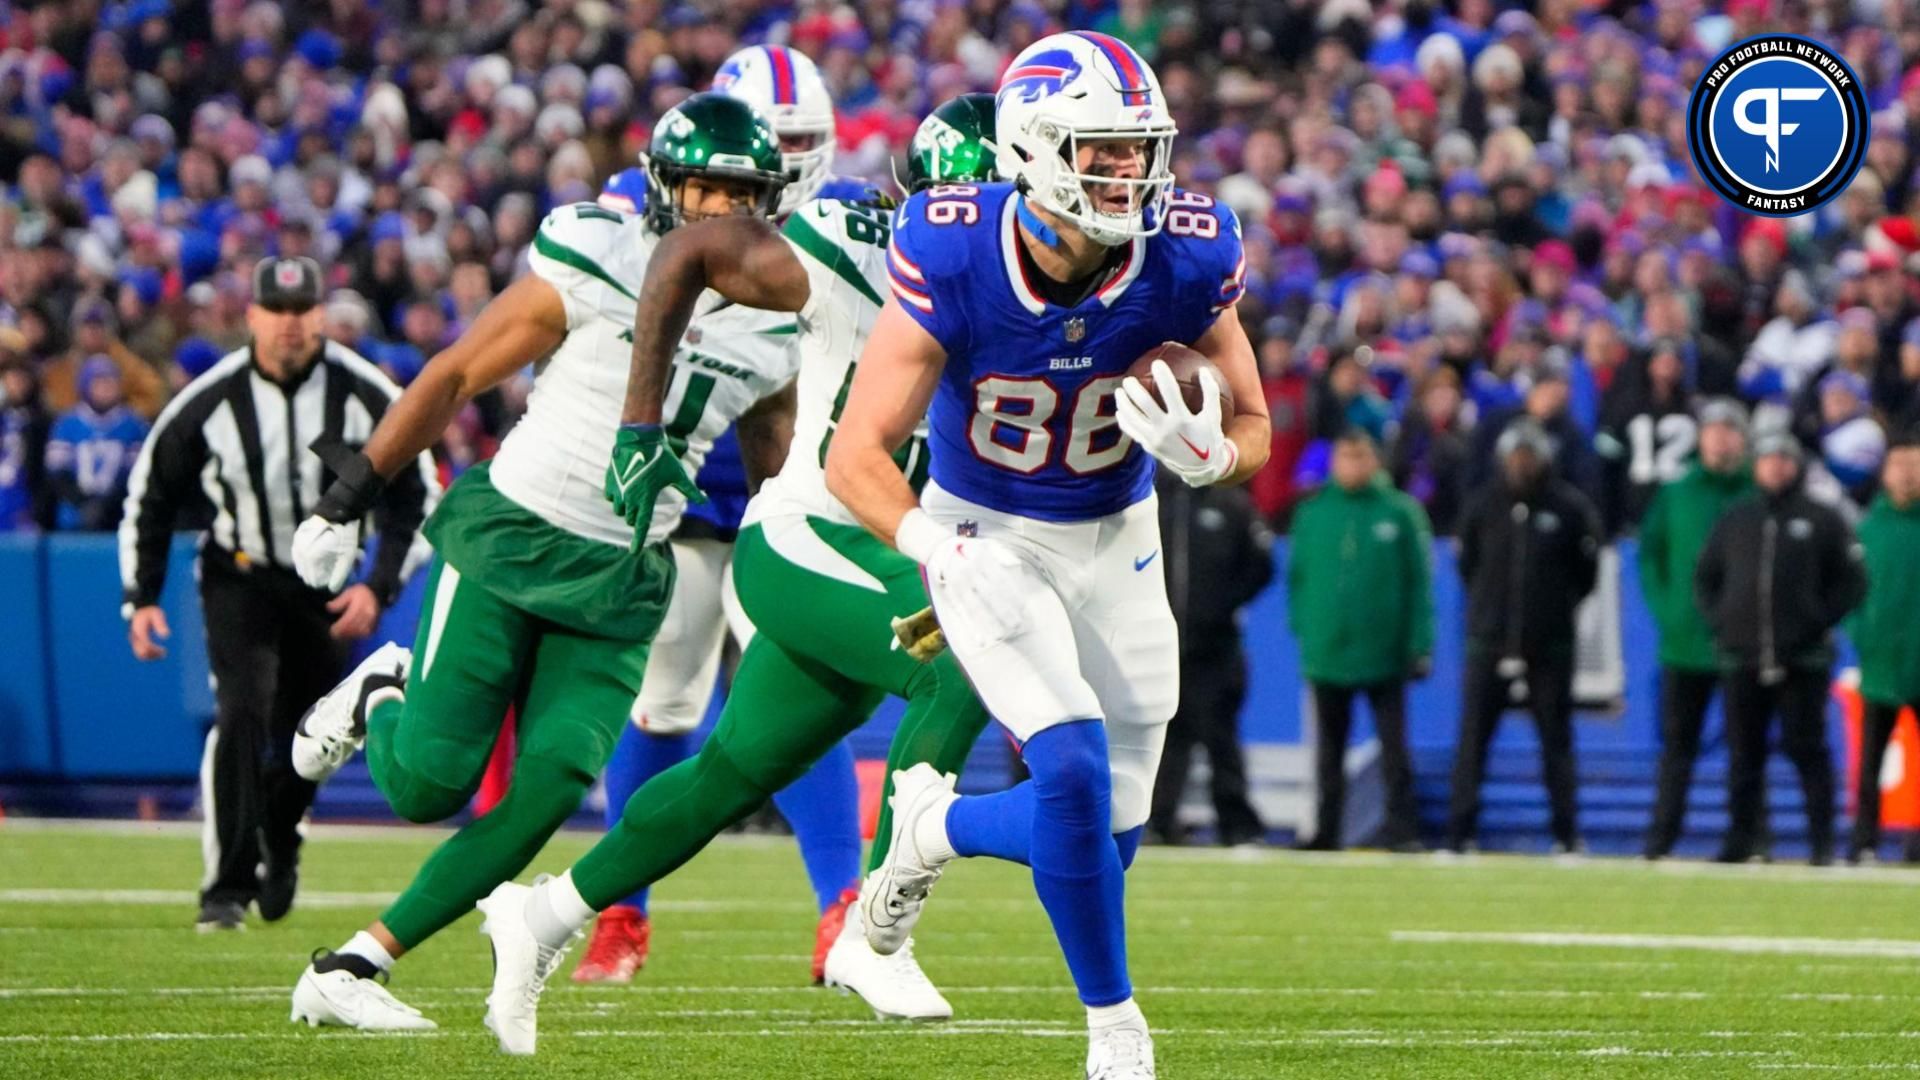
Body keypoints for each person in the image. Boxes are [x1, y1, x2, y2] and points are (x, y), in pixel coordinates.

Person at [471, 94, 1005, 1038]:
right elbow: (686, 251)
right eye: (990, 200)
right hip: (808, 534)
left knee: (726, 775)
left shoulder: (1052, 293)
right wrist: (640, 425)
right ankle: (875, 937)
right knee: (962, 665)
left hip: (887, 549)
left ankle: (542, 912)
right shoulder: (854, 244)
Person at [283, 94, 793, 1036]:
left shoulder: (779, 323)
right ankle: (379, 696)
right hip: (517, 533)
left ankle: (355, 963)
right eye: (704, 190)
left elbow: (776, 462)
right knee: (428, 785)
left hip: (627, 575)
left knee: (555, 786)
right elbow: (454, 374)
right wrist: (345, 497)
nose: (721, 213)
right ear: (664, 190)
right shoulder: (598, 255)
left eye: (740, 195)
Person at [838, 33, 1266, 1078]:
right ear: (1031, 149)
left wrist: (1214, 461)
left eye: (1140, 150)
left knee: (1105, 838)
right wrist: (937, 549)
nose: (1131, 174)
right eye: (1103, 151)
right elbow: (856, 454)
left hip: (1118, 534)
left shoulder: (1190, 252)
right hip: (987, 531)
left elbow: (1253, 421)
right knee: (1067, 768)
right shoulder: (953, 248)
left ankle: (933, 826)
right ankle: (1115, 1028)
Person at [577, 43, 883, 988]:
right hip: (675, 494)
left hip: (791, 492)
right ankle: (621, 912)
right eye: (772, 139)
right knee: (660, 699)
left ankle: (843, 907)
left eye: (802, 140)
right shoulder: (643, 220)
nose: (784, 161)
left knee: (801, 687)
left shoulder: (845, 222)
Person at [117, 255, 435, 932]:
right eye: (276, 311)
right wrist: (140, 596)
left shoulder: (363, 392)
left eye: (301, 311)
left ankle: (282, 837)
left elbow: (418, 494)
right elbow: (152, 491)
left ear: (320, 314)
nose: (290, 325)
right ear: (252, 315)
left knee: (309, 735)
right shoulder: (212, 398)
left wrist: (379, 587)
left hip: (325, 592)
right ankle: (226, 888)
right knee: (242, 711)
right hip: (241, 573)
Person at [1695, 426, 1865, 866]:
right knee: (1743, 755)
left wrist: (1815, 621)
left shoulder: (1823, 519)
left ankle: (1822, 843)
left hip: (1802, 658)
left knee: (1807, 749)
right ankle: (1742, 840)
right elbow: (1706, 577)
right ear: (1757, 464)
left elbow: (1851, 582)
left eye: (1783, 459)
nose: (1775, 466)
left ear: (1796, 466)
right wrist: (1724, 623)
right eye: (1768, 458)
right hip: (1744, 655)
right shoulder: (1736, 517)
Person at [1447, 418, 1603, 854]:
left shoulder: (1569, 509)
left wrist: (1552, 614)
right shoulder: (1482, 506)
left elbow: (1585, 575)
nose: (1521, 464)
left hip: (1549, 645)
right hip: (1488, 640)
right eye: (1515, 456)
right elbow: (1468, 568)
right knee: (1473, 741)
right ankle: (1461, 833)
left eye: (1528, 456)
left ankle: (1566, 834)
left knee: (1556, 741)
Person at [1286, 428, 1432, 852]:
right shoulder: (1313, 513)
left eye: (1359, 457)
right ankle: (1326, 832)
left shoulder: (1400, 512)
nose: (1352, 466)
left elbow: (1419, 584)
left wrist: (1419, 642)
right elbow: (1297, 580)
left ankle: (1403, 830)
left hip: (1384, 651)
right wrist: (1305, 629)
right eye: (1344, 457)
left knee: (1393, 749)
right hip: (1328, 651)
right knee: (1327, 754)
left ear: (1375, 461)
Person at [1638, 399, 1753, 860]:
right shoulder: (1676, 493)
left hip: (1742, 644)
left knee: (1746, 751)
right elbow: (1650, 555)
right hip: (1684, 643)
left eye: (1731, 430)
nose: (1722, 439)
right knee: (1677, 749)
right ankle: (1662, 838)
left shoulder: (1755, 494)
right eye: (1714, 430)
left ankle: (1744, 840)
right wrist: (1668, 610)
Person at [1146, 462, 1274, 848]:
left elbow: (1261, 565)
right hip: (1162, 646)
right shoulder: (1152, 503)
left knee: (1220, 736)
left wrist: (1223, 606)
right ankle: (1158, 819)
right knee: (1164, 740)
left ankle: (1235, 823)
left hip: (1215, 646)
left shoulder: (1231, 503)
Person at [1848, 431, 1920, 863]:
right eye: (1900, 465)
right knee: (1870, 760)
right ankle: (1863, 842)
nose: (1908, 474)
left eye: (1914, 465)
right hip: (1880, 662)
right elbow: (1847, 592)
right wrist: (1863, 636)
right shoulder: (1867, 529)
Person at [46, 356, 148, 531]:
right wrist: (83, 502)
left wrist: (107, 506)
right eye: (99, 383)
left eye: (110, 383)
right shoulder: (67, 424)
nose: (106, 389)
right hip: (73, 519)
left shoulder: (134, 425)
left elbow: (137, 474)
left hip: (119, 518)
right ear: (86, 386)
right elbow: (57, 474)